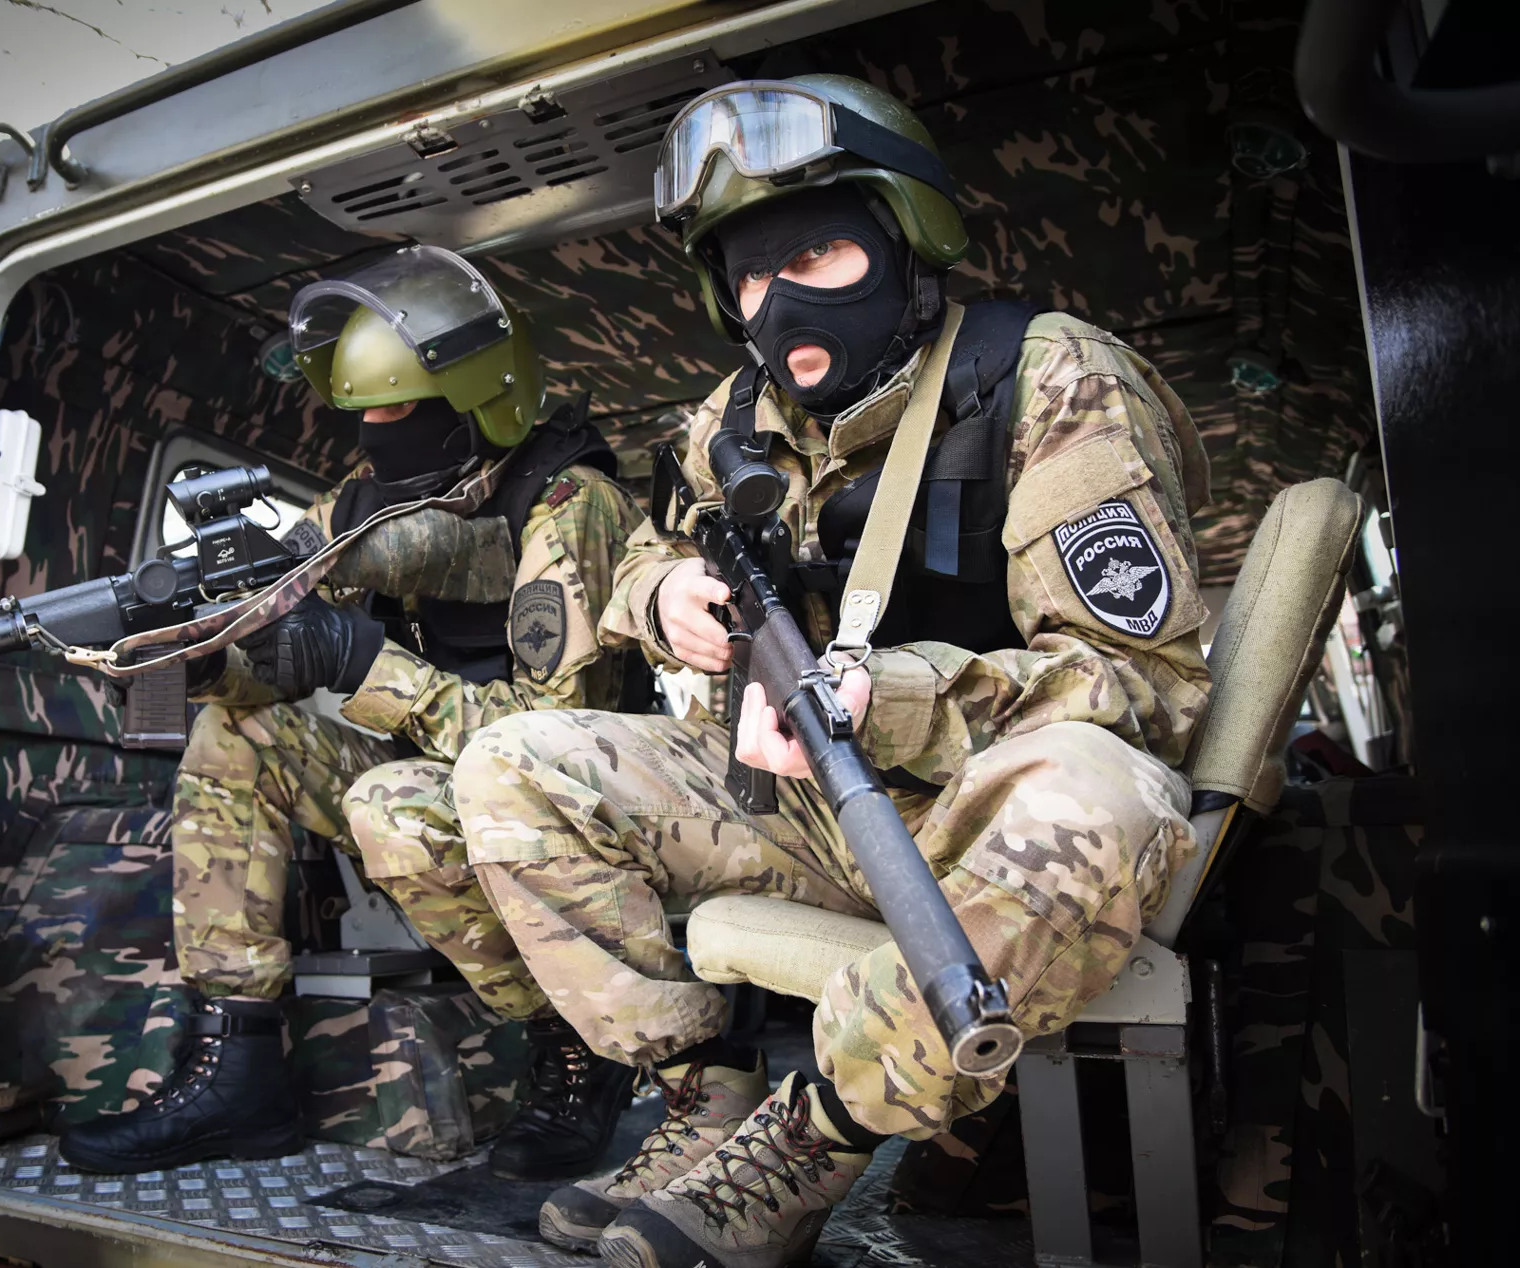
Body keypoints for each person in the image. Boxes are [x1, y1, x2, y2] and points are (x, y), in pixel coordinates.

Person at [447, 74, 1213, 1267]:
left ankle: (807, 1140)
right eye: (750, 277)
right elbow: (643, 549)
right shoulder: (734, 416)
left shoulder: (1048, 376)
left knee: (1096, 795)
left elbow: (1142, 686)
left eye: (814, 256)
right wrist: (661, 596)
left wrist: (888, 696)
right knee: (512, 763)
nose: (779, 301)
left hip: (980, 810)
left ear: (905, 238)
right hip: (804, 805)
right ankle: (700, 1098)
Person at [57, 245, 646, 1180]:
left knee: (393, 805)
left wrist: (365, 663)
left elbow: (556, 746)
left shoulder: (570, 505)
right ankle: (237, 1063)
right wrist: (209, 662)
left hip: (571, 808)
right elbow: (273, 657)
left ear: (478, 400)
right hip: (432, 770)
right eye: (361, 411)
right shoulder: (357, 509)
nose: (375, 433)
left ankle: (580, 1041)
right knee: (236, 732)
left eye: (399, 410)